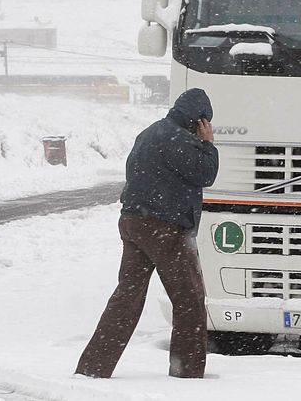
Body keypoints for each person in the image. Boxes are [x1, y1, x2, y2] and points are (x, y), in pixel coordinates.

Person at [75, 88, 219, 379]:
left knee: (126, 298)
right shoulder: (182, 140)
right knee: (189, 299)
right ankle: (186, 371)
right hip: (165, 228)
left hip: (133, 222)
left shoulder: (151, 132)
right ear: (199, 119)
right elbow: (206, 174)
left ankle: (94, 366)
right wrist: (208, 145)